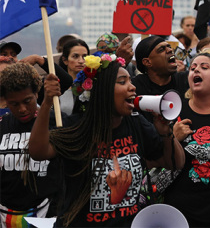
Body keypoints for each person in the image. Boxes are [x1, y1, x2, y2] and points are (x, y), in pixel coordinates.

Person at [29, 55, 183, 227]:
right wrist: (47, 102)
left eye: (130, 81)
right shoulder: (77, 126)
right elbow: (37, 151)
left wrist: (166, 131)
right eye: (122, 82)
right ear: (102, 89)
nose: (132, 87)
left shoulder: (136, 122)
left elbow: (173, 163)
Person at [167, 50, 210, 227]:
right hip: (186, 215)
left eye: (204, 67)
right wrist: (172, 138)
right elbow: (163, 162)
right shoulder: (175, 113)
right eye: (192, 68)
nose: (196, 71)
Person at [0, 63, 64, 224]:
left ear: (36, 93)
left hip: (48, 214)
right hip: (5, 216)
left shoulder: (57, 121)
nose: (22, 109)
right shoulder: (2, 125)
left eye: (27, 101)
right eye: (14, 104)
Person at [131, 35, 189, 100]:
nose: (170, 50)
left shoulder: (187, 80)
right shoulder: (134, 88)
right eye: (161, 50)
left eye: (169, 47)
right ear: (147, 62)